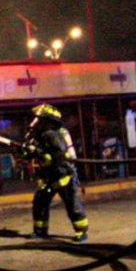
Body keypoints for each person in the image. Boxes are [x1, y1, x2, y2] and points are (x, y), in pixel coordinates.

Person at [20, 104, 90, 242]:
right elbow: (31, 154)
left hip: (63, 173)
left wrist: (38, 152)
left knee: (72, 203)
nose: (35, 122)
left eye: (39, 119)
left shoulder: (54, 134)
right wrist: (26, 150)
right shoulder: (41, 134)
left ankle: (81, 231)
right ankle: (40, 231)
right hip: (48, 175)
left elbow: (57, 156)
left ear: (48, 120)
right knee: (40, 202)